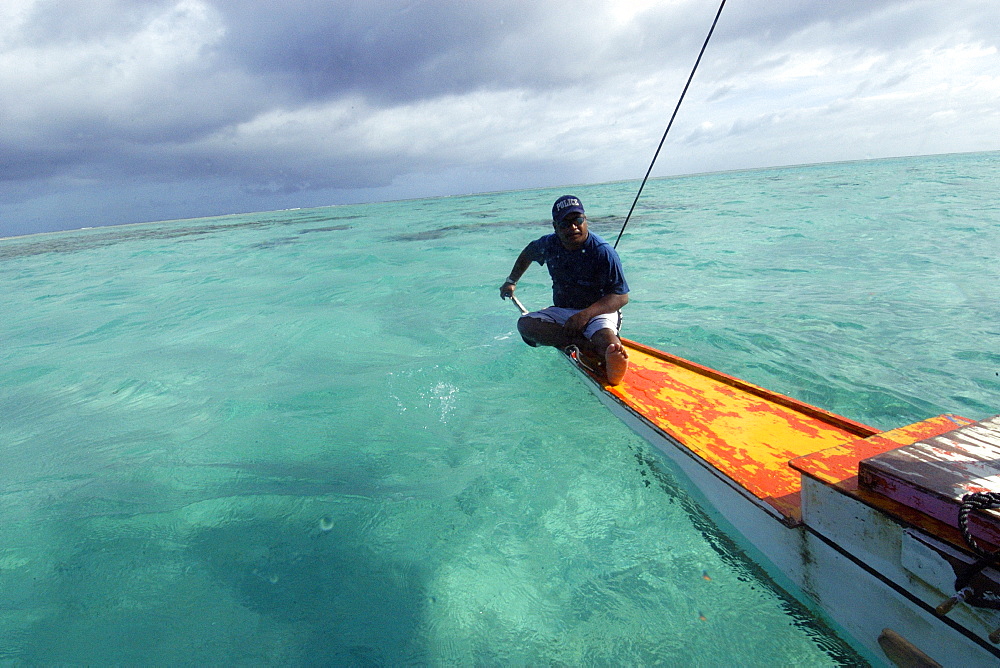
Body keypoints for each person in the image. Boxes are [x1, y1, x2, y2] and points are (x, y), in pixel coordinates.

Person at [500, 195, 630, 385]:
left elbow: (621, 296)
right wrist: (511, 281)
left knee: (609, 343)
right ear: (555, 227)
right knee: (526, 325)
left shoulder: (603, 251)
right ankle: (585, 347)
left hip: (598, 312)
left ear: (585, 220)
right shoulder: (548, 244)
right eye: (565, 223)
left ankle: (611, 357)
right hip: (563, 311)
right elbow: (528, 253)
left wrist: (585, 316)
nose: (573, 227)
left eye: (578, 221)